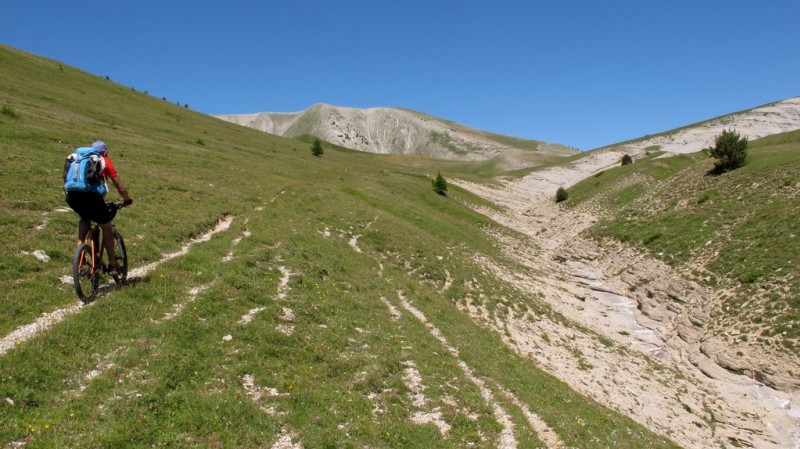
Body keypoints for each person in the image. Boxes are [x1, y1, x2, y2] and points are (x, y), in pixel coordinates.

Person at [65, 140, 133, 276]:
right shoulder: (104, 160)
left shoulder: (78, 159)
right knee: (106, 226)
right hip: (92, 197)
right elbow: (120, 187)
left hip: (72, 196)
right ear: (105, 152)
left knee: (85, 217)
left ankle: (81, 258)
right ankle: (113, 265)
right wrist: (127, 199)